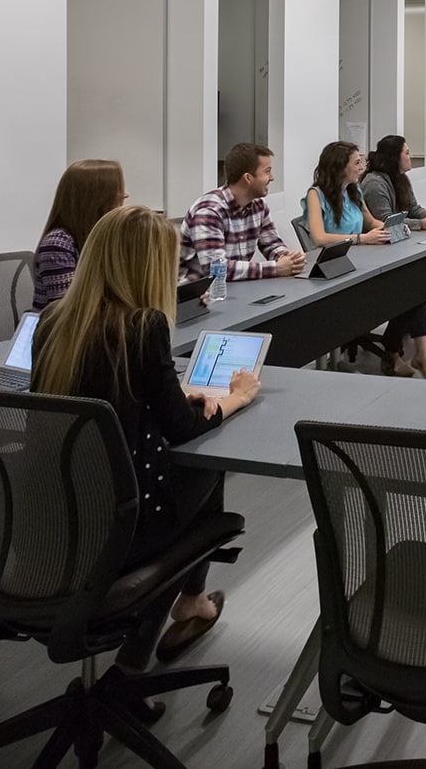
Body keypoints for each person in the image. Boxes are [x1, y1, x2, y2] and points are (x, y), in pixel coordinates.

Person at [32, 205, 258, 687]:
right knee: (205, 468)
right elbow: (181, 431)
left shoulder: (53, 321)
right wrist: (233, 400)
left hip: (55, 520)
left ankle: (185, 607)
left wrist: (174, 397)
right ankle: (144, 653)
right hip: (122, 527)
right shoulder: (144, 326)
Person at [306, 141, 426, 378]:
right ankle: (392, 356)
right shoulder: (316, 194)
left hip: (363, 262)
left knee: (417, 287)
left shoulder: (355, 191)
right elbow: (320, 237)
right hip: (334, 268)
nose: (361, 167)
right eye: (356, 162)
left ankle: (395, 348)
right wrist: (361, 239)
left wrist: (397, 229)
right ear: (339, 166)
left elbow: (373, 222)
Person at [362, 135, 426, 376]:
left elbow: (414, 210)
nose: (411, 157)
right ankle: (396, 351)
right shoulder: (374, 184)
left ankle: (414, 353)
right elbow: (388, 223)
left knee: (418, 286)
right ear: (394, 157)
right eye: (407, 153)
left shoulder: (401, 180)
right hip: (376, 253)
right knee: (413, 287)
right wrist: (422, 225)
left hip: (396, 248)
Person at [179, 143, 306, 283]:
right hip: (198, 296)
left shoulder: (259, 206)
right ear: (248, 178)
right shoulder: (209, 212)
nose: (271, 177)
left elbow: (272, 245)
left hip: (235, 288)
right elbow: (216, 268)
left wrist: (287, 258)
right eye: (267, 171)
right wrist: (275, 268)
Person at [32, 158, 126, 308]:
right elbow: (71, 313)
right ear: (97, 199)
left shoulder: (102, 238)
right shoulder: (57, 244)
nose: (125, 195)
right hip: (63, 330)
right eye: (119, 190)